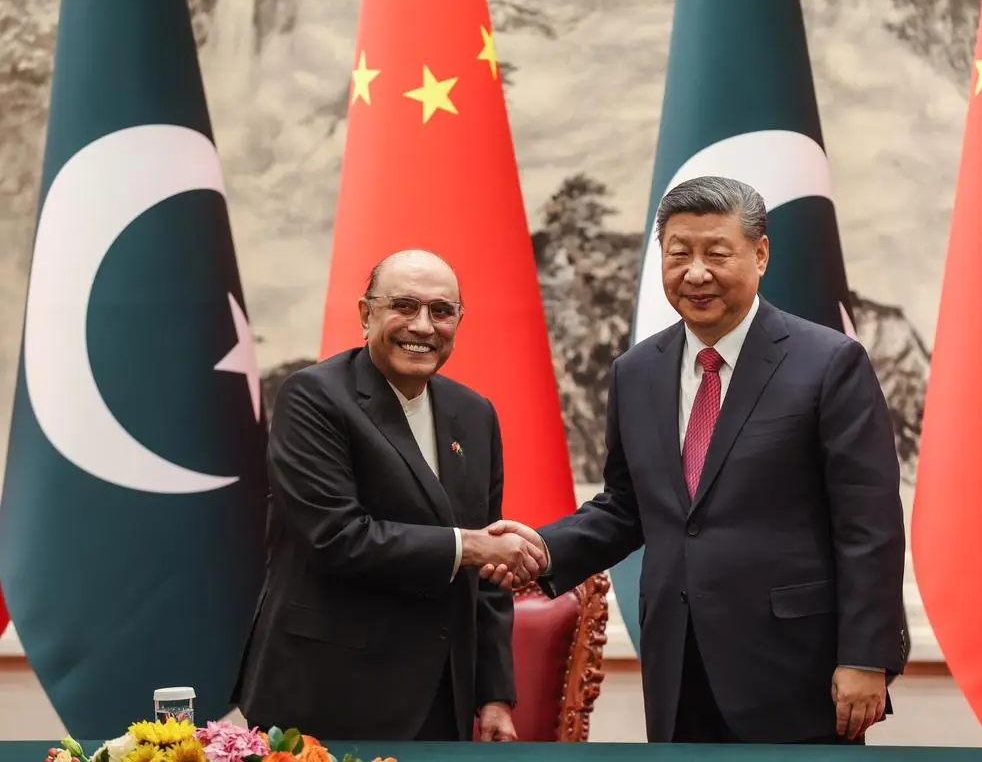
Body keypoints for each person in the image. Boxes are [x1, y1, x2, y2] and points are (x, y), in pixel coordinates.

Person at [484, 176, 908, 744]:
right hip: (677, 661)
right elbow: (627, 507)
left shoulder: (829, 363)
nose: (696, 272)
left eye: (717, 252)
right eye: (679, 253)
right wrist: (538, 549)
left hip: (797, 668)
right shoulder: (636, 371)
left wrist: (866, 655)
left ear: (760, 254)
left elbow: (869, 525)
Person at [233, 250, 546, 741]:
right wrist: (470, 546)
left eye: (441, 311)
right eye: (404, 305)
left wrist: (494, 696)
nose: (423, 326)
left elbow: (488, 578)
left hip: (441, 701)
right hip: (327, 698)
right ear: (366, 314)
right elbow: (337, 537)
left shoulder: (475, 414)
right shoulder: (313, 398)